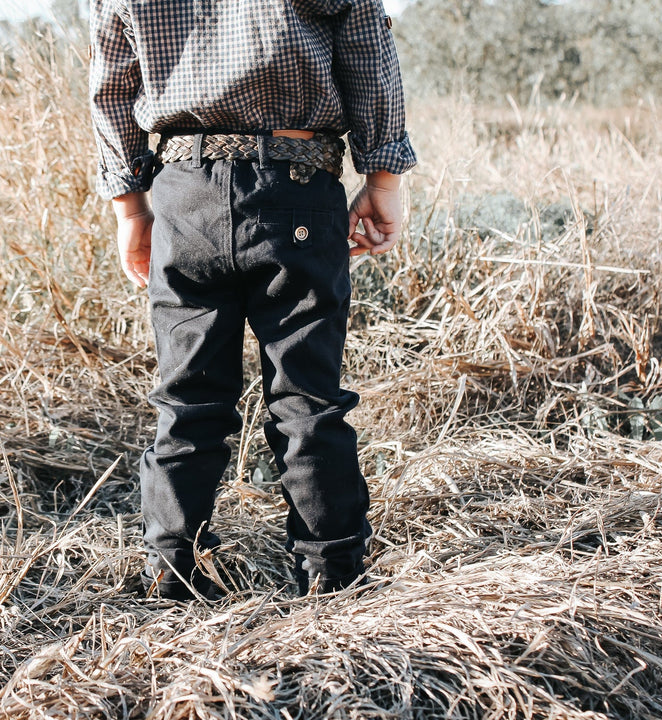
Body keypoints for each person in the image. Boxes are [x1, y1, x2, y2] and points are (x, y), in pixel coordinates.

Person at [89, 0, 417, 600]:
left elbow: (112, 83)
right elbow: (369, 50)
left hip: (183, 191)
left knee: (186, 398)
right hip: (296, 183)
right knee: (307, 397)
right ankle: (332, 577)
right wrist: (383, 178)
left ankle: (173, 572)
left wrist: (130, 207)